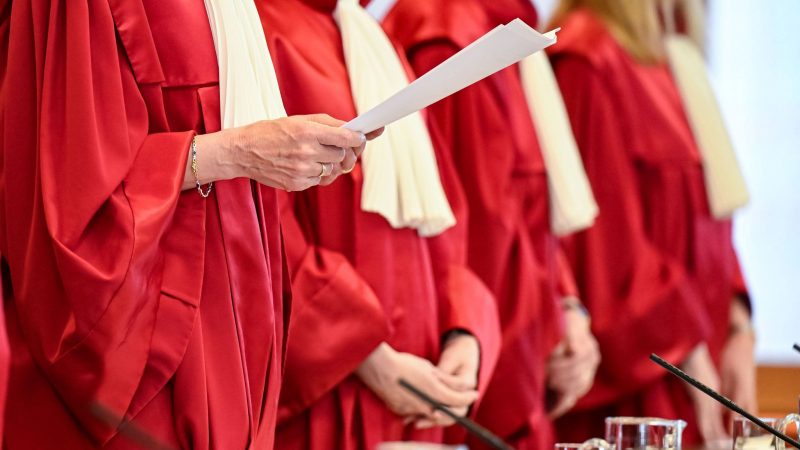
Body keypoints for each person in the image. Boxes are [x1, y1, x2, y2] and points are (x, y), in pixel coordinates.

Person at [0, 1, 375, 448]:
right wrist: (232, 152)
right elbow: (65, 185)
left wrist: (292, 155)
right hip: (156, 348)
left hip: (239, 335)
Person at [256, 0, 501, 448]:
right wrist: (367, 356)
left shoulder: (376, 40)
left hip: (424, 380)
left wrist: (465, 334)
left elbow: (444, 215)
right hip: (337, 388)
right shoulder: (260, 30)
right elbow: (260, 229)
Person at [382, 1, 602, 448]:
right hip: (488, 373)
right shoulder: (450, 40)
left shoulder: (498, 27)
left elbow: (530, 212)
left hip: (522, 352)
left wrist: (569, 308)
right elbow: (477, 246)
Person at [548, 0, 754, 445]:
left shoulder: (673, 54)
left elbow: (710, 214)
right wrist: (690, 351)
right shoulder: (588, 59)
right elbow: (606, 247)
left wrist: (739, 327)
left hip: (701, 367)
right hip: (644, 385)